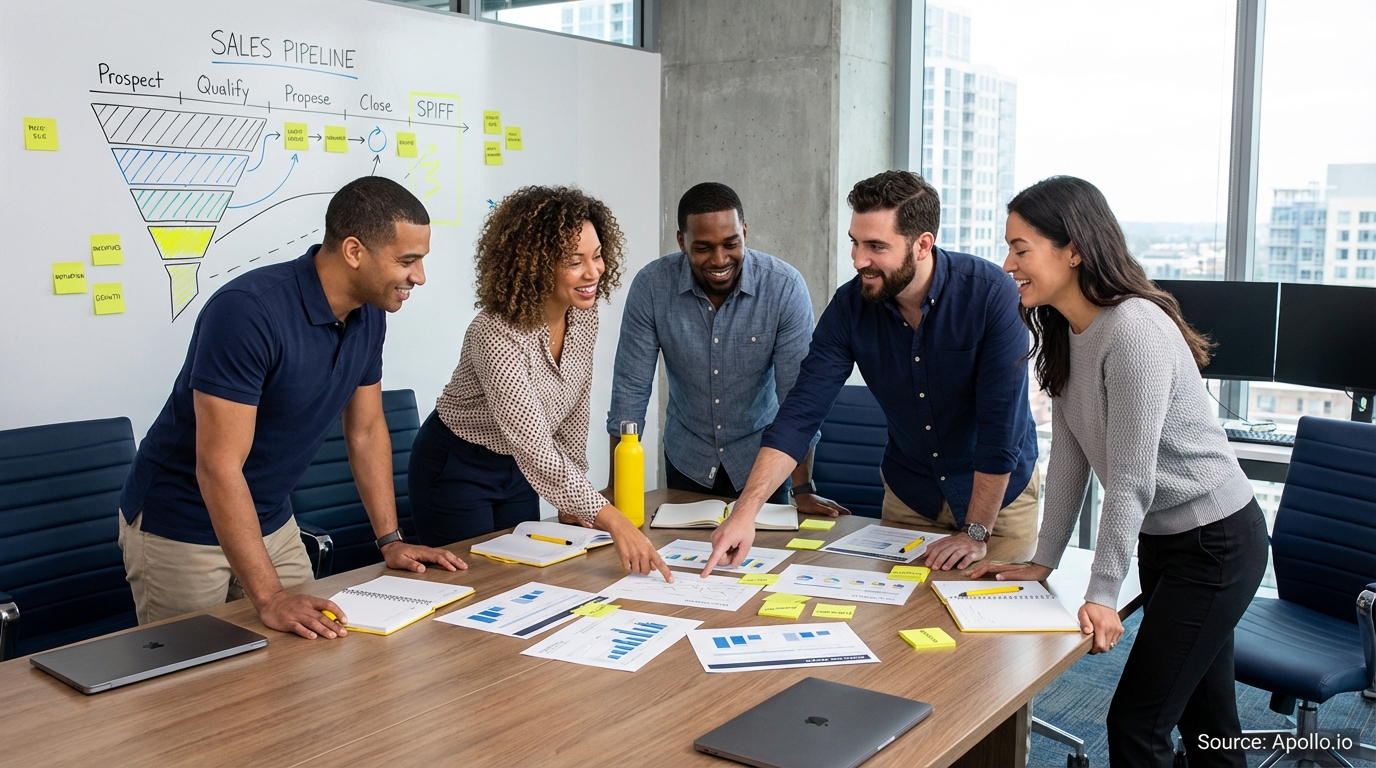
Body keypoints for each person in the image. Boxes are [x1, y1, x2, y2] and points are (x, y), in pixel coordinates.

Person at [971, 176, 1267, 767]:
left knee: (1136, 724)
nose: (1007, 265)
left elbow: (1131, 479)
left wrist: (1103, 593)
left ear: (1073, 250)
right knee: (1208, 723)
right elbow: (1071, 459)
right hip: (1167, 542)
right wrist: (1044, 559)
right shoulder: (1067, 332)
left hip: (1215, 543)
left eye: (1021, 249)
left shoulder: (1133, 330)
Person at [119, 176, 465, 641]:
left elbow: (365, 430)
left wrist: (390, 541)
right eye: (407, 261)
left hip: (272, 519)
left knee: (312, 653)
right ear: (354, 251)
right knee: (197, 676)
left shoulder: (369, 314)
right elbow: (218, 466)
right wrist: (270, 598)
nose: (418, 276)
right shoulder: (247, 312)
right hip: (181, 526)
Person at [702, 170, 1039, 575]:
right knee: (897, 609)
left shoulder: (990, 295)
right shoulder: (849, 307)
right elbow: (800, 414)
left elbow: (1001, 429)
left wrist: (976, 531)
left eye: (876, 246)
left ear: (922, 245)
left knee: (990, 609)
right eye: (855, 243)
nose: (859, 260)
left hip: (997, 503)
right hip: (912, 496)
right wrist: (745, 513)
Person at [408, 185, 672, 580]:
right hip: (458, 468)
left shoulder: (583, 315)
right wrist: (613, 519)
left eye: (597, 256)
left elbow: (575, 405)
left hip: (519, 471)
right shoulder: (495, 333)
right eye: (575, 261)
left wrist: (573, 500)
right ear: (534, 264)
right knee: (472, 582)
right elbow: (534, 446)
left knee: (521, 579)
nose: (593, 272)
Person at [604, 182, 845, 515]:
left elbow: (796, 396)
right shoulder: (651, 287)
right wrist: (617, 486)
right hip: (687, 458)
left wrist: (802, 489)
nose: (719, 259)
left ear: (744, 232)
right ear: (681, 242)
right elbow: (630, 389)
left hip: (762, 462)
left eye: (731, 244)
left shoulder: (784, 287)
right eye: (703, 248)